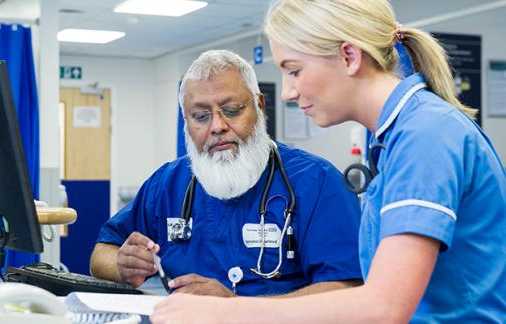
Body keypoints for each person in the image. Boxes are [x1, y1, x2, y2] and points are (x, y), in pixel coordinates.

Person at [150, 0, 506, 322]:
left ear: (349, 57)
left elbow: (383, 307)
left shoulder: (426, 136)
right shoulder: (399, 137)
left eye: (294, 70)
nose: (288, 91)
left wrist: (227, 312)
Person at [90, 49, 363, 298]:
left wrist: (236, 309)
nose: (217, 126)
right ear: (185, 122)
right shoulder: (168, 184)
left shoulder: (317, 183)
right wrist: (122, 264)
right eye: (200, 116)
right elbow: (101, 253)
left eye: (232, 110)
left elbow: (346, 290)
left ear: (259, 105)